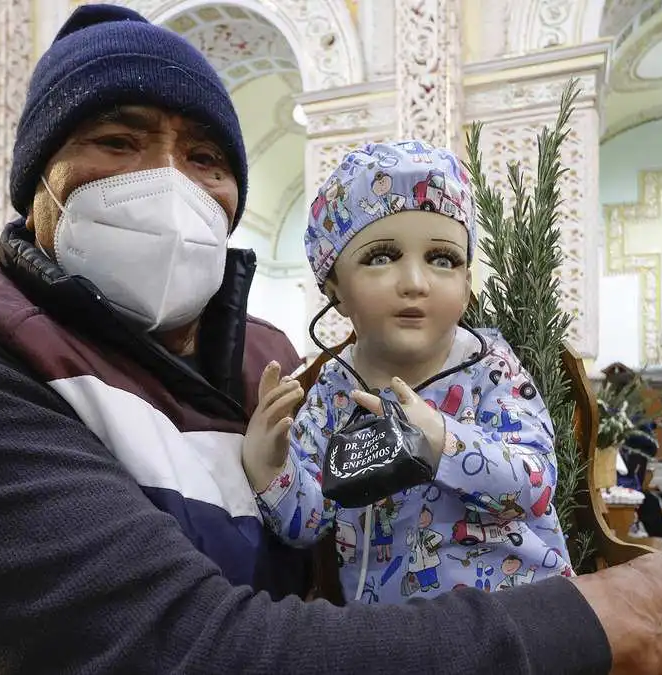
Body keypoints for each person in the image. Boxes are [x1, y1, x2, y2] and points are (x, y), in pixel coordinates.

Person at [0, 5, 662, 673]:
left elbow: (327, 542)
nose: (169, 181)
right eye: (119, 141)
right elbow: (180, 649)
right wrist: (579, 625)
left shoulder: (269, 355)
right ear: (39, 182)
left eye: (206, 156)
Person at [245, 140, 572, 605]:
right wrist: (272, 469)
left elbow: (535, 485)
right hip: (403, 644)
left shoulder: (490, 369)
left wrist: (440, 439)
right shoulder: (334, 391)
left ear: (465, 279)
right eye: (381, 257)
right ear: (334, 286)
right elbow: (309, 523)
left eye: (443, 259)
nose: (415, 283)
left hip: (520, 621)